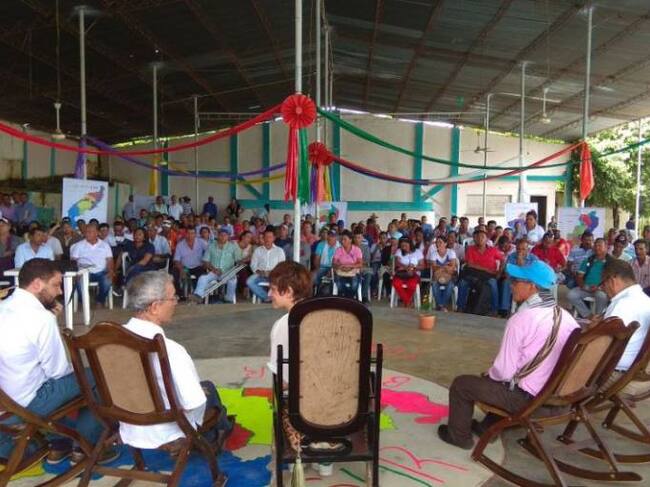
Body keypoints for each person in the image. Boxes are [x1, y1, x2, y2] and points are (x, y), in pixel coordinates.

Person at [438, 259, 579, 449]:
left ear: (532, 286)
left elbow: (503, 372)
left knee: (463, 384)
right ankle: (487, 428)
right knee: (505, 379)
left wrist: (489, 375)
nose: (511, 284)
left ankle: (459, 437)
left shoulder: (521, 319)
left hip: (531, 403)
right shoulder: (567, 317)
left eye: (516, 281)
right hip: (558, 400)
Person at [0, 259, 116, 464]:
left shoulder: (4, 306)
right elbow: (58, 372)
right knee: (99, 375)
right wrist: (52, 322)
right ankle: (86, 445)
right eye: (55, 285)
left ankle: (59, 443)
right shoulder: (40, 318)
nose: (60, 291)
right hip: (29, 402)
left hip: (6, 402)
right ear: (37, 284)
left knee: (64, 379)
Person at [121, 271, 232, 453]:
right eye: (172, 298)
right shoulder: (170, 350)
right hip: (166, 426)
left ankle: (221, 428)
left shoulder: (107, 342)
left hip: (128, 420)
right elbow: (194, 403)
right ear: (155, 307)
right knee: (209, 390)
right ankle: (218, 431)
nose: (176, 303)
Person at [599, 259, 650, 384]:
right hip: (637, 371)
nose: (602, 288)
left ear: (612, 280)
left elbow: (600, 345)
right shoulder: (645, 300)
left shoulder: (620, 304)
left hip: (614, 374)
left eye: (602, 283)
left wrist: (593, 329)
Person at [267, 261, 313, 381]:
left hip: (300, 391)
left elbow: (281, 379)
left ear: (288, 292)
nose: (269, 294)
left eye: (273, 289)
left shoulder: (283, 325)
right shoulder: (329, 319)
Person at [456, 229, 502, 315]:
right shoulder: (470, 249)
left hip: (488, 275)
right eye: (477, 237)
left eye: (482, 237)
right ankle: (460, 306)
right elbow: (470, 264)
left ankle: (494, 309)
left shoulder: (493, 250)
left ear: (486, 239)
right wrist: (486, 269)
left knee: (493, 283)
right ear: (474, 239)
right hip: (474, 274)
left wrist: (499, 272)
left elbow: (503, 260)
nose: (480, 239)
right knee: (462, 283)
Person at [190, 229, 241, 304]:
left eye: (225, 235)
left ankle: (229, 299)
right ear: (218, 236)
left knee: (233, 280)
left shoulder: (233, 246)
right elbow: (205, 261)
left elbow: (238, 260)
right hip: (214, 272)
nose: (223, 237)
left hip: (228, 272)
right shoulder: (211, 246)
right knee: (203, 278)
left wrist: (236, 268)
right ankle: (198, 296)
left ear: (228, 237)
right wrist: (214, 269)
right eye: (221, 235)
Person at [567, 237, 611, 318]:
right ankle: (588, 315)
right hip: (587, 287)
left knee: (601, 296)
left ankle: (598, 317)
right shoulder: (588, 260)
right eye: (595, 245)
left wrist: (599, 287)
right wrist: (584, 286)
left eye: (600, 246)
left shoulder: (611, 262)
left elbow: (611, 279)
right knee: (571, 295)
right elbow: (579, 276)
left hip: (602, 289)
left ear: (606, 247)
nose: (597, 248)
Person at [498, 238, 538, 317]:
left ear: (528, 249)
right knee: (506, 282)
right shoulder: (511, 256)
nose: (520, 251)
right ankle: (504, 309)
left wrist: (520, 263)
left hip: (528, 282)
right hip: (514, 280)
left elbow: (534, 274)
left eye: (523, 249)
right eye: (518, 249)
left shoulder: (533, 259)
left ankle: (525, 310)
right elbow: (508, 271)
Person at [247, 228, 286, 302]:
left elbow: (282, 266)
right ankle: (267, 298)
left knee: (282, 281)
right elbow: (253, 264)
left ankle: (276, 298)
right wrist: (258, 271)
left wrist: (272, 272)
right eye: (266, 237)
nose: (268, 239)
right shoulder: (258, 250)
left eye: (270, 237)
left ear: (274, 238)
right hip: (260, 274)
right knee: (250, 281)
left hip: (274, 275)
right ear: (263, 238)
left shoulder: (279, 251)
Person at [172, 227, 208, 298]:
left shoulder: (201, 242)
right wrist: (181, 269)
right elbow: (176, 260)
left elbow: (210, 250)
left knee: (202, 276)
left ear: (195, 234)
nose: (190, 235)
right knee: (175, 273)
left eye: (192, 233)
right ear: (185, 234)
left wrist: (205, 261)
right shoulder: (180, 245)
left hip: (198, 267)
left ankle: (198, 296)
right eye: (188, 233)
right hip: (185, 268)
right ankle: (179, 295)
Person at [427, 236, 457, 311]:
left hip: (449, 276)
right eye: (437, 242)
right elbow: (434, 269)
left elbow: (452, 269)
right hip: (437, 276)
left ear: (445, 243)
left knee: (450, 285)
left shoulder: (451, 252)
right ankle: (442, 306)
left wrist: (440, 267)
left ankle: (440, 305)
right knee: (434, 285)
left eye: (440, 242)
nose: (438, 244)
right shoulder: (434, 254)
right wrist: (446, 266)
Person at [392, 238, 424, 307]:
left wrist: (413, 268)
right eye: (402, 246)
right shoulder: (399, 251)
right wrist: (406, 267)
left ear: (410, 245)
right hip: (401, 273)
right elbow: (397, 263)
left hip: (414, 273)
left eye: (406, 245)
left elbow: (422, 266)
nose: (404, 248)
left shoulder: (418, 252)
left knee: (412, 285)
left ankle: (407, 302)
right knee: (396, 284)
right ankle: (408, 301)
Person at [332, 230, 362, 299]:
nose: (342, 241)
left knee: (354, 285)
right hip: (341, 272)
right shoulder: (339, 250)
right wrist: (341, 266)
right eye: (342, 239)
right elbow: (334, 263)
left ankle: (347, 298)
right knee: (339, 284)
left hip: (353, 272)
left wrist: (349, 266)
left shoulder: (357, 250)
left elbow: (360, 264)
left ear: (350, 240)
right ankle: (347, 298)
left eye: (345, 239)